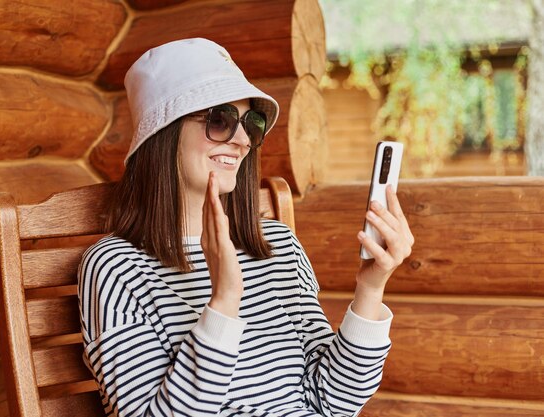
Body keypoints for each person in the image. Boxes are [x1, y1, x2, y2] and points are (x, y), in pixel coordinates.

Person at [78, 38, 414, 417]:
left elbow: (332, 402)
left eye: (251, 124)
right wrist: (223, 303)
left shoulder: (279, 244)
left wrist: (371, 287)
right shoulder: (115, 268)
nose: (241, 141)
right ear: (163, 136)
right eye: (219, 120)